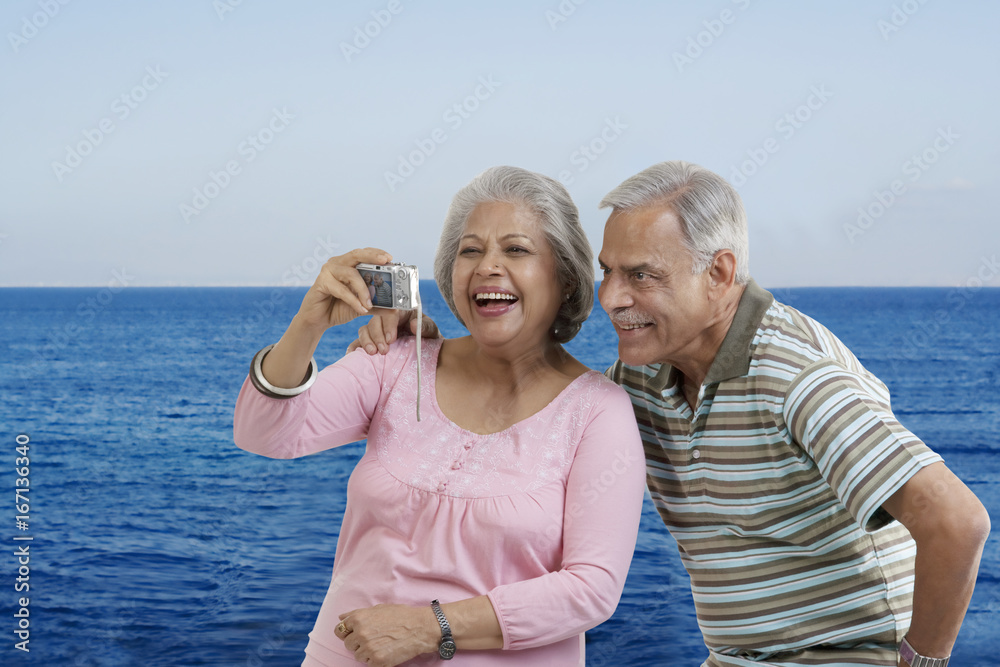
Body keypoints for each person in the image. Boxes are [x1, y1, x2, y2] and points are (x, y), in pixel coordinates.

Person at [353, 161, 991, 667]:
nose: (611, 298)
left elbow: (957, 523)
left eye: (641, 276)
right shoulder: (642, 377)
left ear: (719, 273)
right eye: (606, 272)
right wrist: (436, 349)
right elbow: (540, 406)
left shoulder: (795, 380)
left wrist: (920, 665)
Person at [233, 166, 646, 667]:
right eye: (470, 251)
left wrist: (428, 627)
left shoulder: (599, 411)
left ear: (564, 276)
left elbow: (591, 589)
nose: (487, 266)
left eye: (515, 250)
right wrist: (309, 322)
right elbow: (263, 434)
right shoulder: (396, 359)